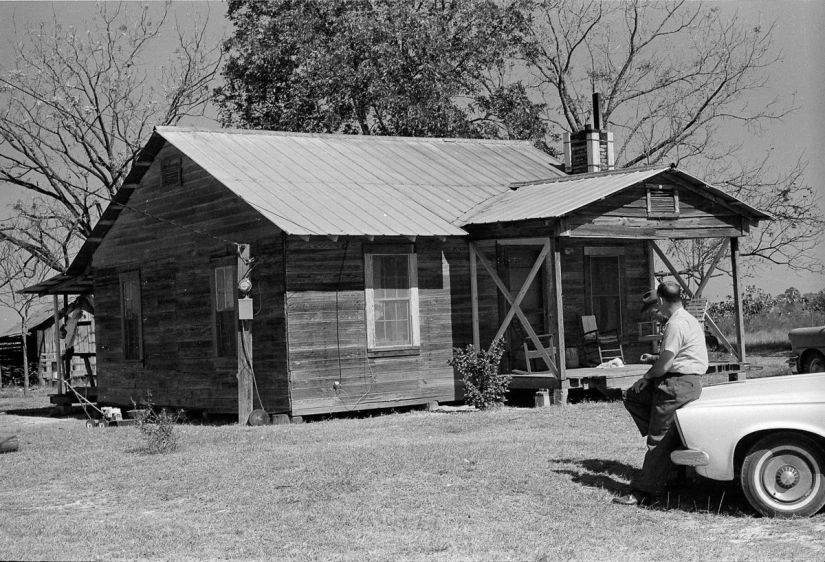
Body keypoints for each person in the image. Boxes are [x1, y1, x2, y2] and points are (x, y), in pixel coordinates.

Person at [613, 281, 708, 506]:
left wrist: (646, 376)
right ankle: (669, 462)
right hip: (688, 382)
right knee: (632, 396)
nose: (656, 313)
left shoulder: (675, 324)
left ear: (663, 302)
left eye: (656, 307)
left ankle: (643, 492)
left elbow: (665, 368)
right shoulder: (688, 319)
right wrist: (655, 359)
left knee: (658, 439)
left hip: (676, 385)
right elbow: (681, 357)